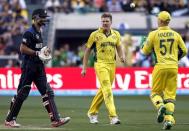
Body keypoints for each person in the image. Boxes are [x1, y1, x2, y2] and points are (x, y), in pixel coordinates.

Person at [4, 8, 70, 128]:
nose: (45, 20)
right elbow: (22, 49)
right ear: (35, 18)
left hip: (39, 67)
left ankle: (56, 120)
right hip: (29, 67)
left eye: (45, 18)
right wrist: (36, 53)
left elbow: (38, 49)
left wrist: (44, 52)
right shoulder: (29, 32)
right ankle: (10, 120)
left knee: (48, 92)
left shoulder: (40, 31)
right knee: (22, 93)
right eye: (42, 17)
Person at [141, 11, 187, 130]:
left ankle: (160, 106)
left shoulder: (153, 34)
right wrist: (174, 59)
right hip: (173, 67)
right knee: (170, 97)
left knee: (155, 93)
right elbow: (184, 51)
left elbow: (145, 52)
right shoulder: (176, 34)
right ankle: (169, 121)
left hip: (160, 66)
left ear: (160, 21)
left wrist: (143, 44)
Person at [81, 13, 125, 125]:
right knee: (108, 89)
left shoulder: (116, 34)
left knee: (104, 89)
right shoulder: (95, 35)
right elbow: (87, 51)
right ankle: (113, 116)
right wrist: (84, 67)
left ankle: (92, 112)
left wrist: (122, 56)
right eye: (103, 21)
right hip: (100, 64)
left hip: (112, 65)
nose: (105, 23)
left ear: (111, 22)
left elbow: (119, 46)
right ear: (101, 22)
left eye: (107, 21)